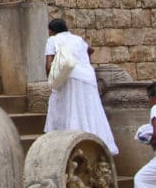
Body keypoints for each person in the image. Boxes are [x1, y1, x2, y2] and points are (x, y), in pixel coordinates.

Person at [43, 18, 118, 154]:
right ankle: (97, 144)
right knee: (89, 110)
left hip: (69, 76)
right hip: (88, 76)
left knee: (69, 108)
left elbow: (48, 65)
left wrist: (52, 80)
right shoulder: (77, 39)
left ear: (52, 31)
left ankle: (70, 144)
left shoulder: (53, 40)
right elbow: (90, 50)